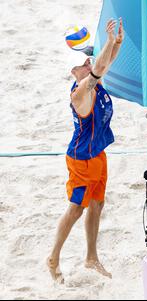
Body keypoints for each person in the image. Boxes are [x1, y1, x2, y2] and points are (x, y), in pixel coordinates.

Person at [47, 18, 124, 284]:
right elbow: (100, 66)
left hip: (98, 154)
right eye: (84, 62)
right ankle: (53, 258)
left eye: (89, 58)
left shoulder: (93, 80)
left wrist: (116, 43)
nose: (89, 63)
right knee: (76, 209)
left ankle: (91, 257)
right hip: (80, 160)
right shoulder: (81, 93)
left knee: (98, 203)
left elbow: (105, 62)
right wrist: (109, 45)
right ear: (73, 70)